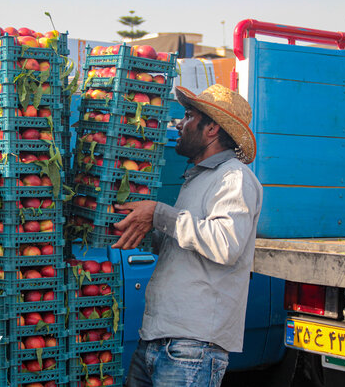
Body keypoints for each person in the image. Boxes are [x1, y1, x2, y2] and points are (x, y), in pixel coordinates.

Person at [112, 84, 263, 387]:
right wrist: (143, 226)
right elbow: (187, 245)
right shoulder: (198, 179)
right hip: (157, 336)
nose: (179, 124)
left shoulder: (234, 178)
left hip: (192, 347)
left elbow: (225, 244)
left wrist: (159, 214)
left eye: (188, 115)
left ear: (211, 129)